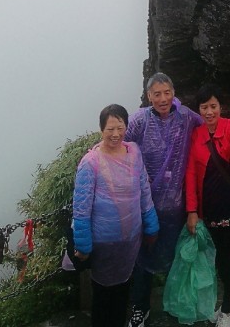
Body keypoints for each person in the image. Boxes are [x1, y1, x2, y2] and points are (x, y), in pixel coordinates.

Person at [124, 72, 203, 325]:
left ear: (173, 92)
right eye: (156, 94)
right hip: (146, 207)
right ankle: (140, 307)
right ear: (149, 96)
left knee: (177, 258)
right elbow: (119, 147)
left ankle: (176, 304)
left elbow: (208, 128)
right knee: (142, 259)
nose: (162, 98)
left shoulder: (186, 117)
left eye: (167, 92)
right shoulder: (139, 121)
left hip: (177, 208)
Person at [72, 104, 159, 327]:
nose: (116, 134)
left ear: (126, 127)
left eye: (120, 127)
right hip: (103, 246)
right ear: (101, 129)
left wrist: (151, 226)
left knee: (122, 293)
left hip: (130, 242)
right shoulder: (90, 163)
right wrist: (83, 247)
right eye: (110, 128)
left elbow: (144, 191)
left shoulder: (134, 153)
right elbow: (81, 209)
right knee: (102, 297)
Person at [185, 83, 230, 327]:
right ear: (199, 110)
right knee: (219, 259)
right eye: (204, 107)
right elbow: (191, 175)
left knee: (228, 257)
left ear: (220, 107)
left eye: (213, 106)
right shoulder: (197, 136)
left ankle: (226, 310)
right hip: (210, 210)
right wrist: (192, 211)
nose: (209, 112)